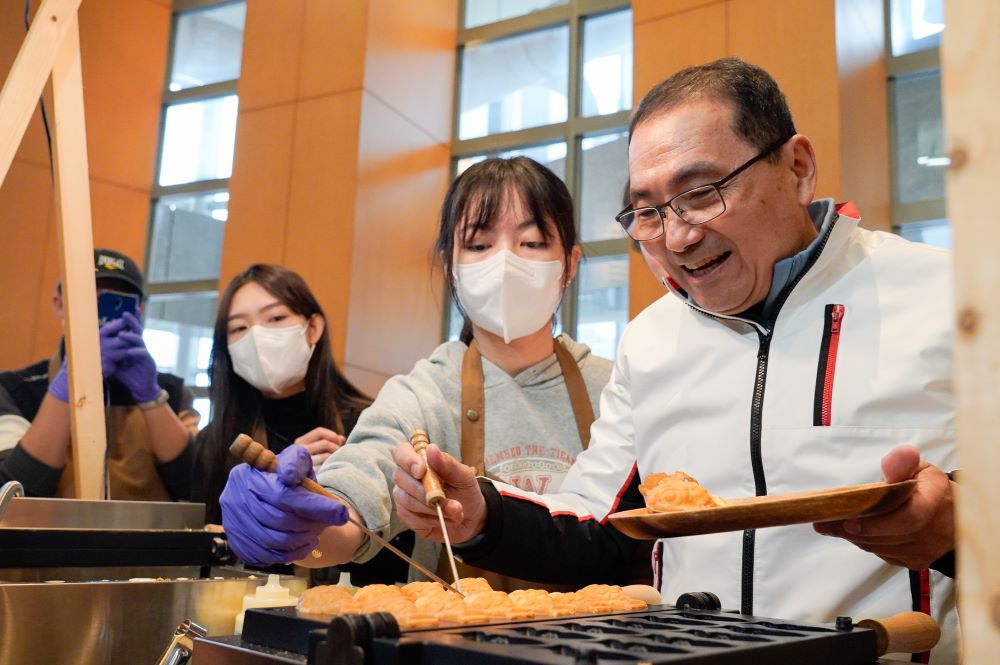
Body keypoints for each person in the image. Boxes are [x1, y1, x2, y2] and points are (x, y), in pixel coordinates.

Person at [391, 59, 959, 663]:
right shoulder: (653, 339)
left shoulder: (949, 298)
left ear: (797, 169)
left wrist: (960, 532)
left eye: (701, 194)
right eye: (649, 211)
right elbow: (596, 526)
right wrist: (481, 512)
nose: (679, 237)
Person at [219, 157, 621, 590]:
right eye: (480, 245)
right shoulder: (425, 392)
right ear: (450, 266)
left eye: (532, 242)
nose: (505, 262)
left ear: (571, 263)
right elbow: (354, 498)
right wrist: (299, 516)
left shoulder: (616, 387)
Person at [0, 249, 200, 499]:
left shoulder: (172, 391)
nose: (100, 314)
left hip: (148, 538)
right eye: (87, 300)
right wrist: (67, 388)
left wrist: (152, 397)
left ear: (139, 311)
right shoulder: (15, 389)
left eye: (117, 302)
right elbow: (11, 493)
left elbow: (197, 487)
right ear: (60, 305)